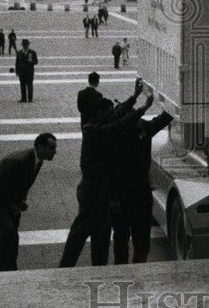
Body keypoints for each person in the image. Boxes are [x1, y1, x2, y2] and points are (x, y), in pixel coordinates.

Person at [60, 78, 150, 268]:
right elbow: (118, 125)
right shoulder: (95, 132)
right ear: (99, 113)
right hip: (93, 188)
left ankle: (98, 268)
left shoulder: (96, 123)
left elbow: (117, 113)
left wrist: (134, 97)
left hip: (101, 187)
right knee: (81, 230)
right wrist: (142, 109)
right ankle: (65, 267)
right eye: (108, 112)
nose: (112, 114)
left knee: (101, 231)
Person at [111, 92, 174, 264]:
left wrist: (174, 101)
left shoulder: (142, 127)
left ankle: (137, 268)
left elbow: (163, 119)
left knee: (139, 236)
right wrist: (113, 198)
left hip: (139, 189)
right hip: (124, 190)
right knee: (123, 236)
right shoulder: (115, 135)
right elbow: (110, 169)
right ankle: (123, 269)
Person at [0, 133, 57, 272]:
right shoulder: (20, 161)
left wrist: (20, 201)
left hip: (11, 203)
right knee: (9, 234)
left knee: (11, 237)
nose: (54, 152)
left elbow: (23, 183)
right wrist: (11, 205)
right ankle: (4, 269)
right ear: (40, 147)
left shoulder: (37, 160)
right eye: (51, 148)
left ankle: (8, 268)